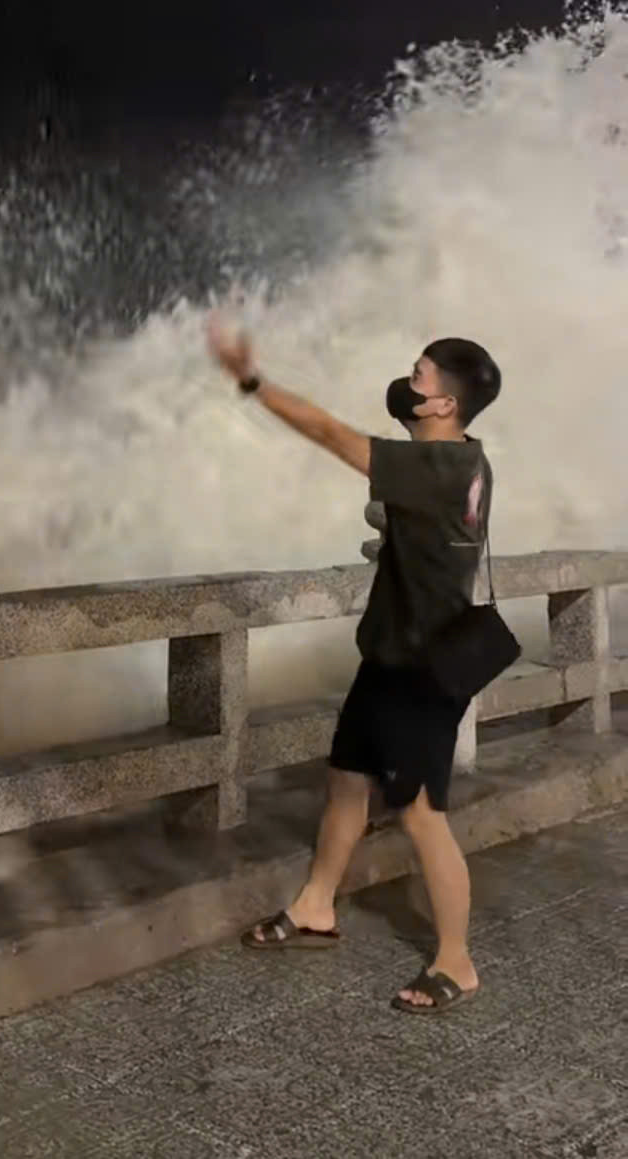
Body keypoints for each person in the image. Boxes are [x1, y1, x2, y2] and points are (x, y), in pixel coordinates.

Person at [207, 315, 502, 1013]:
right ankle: (316, 904)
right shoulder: (467, 454)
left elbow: (332, 435)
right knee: (345, 780)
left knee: (422, 815)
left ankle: (457, 960)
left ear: (443, 406)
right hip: (392, 655)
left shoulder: (433, 466)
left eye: (420, 375)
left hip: (423, 669)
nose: (408, 381)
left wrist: (253, 381)